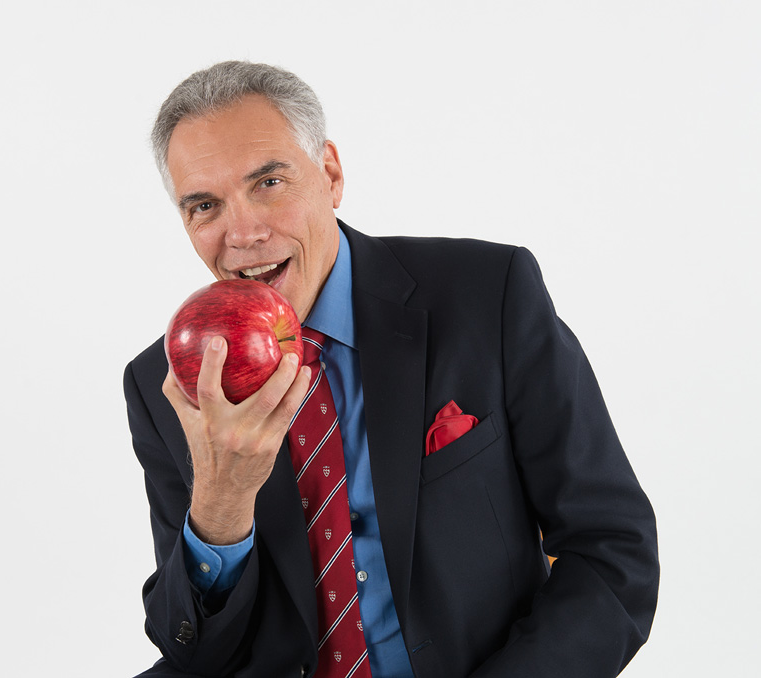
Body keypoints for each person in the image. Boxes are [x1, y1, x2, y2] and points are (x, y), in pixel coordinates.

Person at [123, 61, 659, 678]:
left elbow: (613, 551)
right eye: (205, 206)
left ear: (329, 173)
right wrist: (222, 502)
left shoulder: (488, 296)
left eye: (268, 182)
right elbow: (192, 650)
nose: (242, 233)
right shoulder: (166, 383)